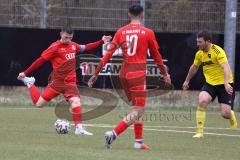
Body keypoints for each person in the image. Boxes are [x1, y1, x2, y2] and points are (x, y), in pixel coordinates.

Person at [88, 4, 171, 150]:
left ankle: (138, 142)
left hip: (124, 75)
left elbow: (108, 54)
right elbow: (157, 56)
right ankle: (113, 134)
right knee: (138, 111)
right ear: (142, 15)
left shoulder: (121, 32)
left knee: (137, 109)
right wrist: (164, 74)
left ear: (128, 15)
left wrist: (96, 73)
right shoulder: (147, 32)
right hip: (137, 75)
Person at [17, 27, 112, 136]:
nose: (68, 39)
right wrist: (25, 72)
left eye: (70, 38)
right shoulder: (54, 47)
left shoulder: (73, 45)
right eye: (66, 37)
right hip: (57, 82)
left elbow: (86, 47)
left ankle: (79, 129)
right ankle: (30, 83)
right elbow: (40, 60)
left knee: (76, 102)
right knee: (39, 104)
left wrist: (101, 41)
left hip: (70, 83)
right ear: (61, 34)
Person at [182, 30, 238, 138]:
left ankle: (231, 115)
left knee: (225, 113)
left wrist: (226, 83)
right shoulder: (199, 54)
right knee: (202, 100)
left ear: (208, 41)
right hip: (210, 84)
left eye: (200, 42)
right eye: (197, 42)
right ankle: (199, 132)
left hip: (224, 84)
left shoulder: (218, 51)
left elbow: (226, 67)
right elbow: (194, 67)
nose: (197, 44)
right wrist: (187, 80)